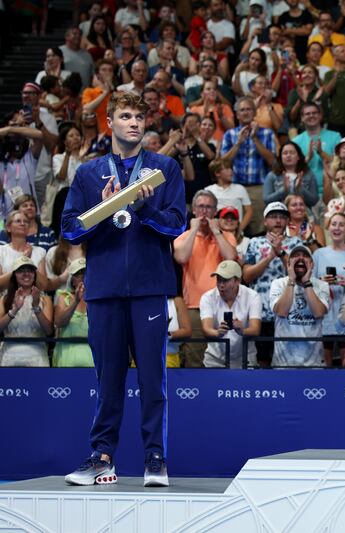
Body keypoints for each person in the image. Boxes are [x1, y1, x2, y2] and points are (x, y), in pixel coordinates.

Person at [61, 91, 186, 487]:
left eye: (138, 117)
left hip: (149, 288)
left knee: (153, 379)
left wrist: (145, 208)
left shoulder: (163, 169)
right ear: (109, 123)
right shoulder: (88, 173)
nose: (133, 122)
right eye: (125, 116)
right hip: (104, 290)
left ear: (145, 125)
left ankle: (155, 459)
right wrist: (98, 212)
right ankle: (102, 458)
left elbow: (176, 226)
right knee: (108, 380)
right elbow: (69, 229)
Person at [173, 190, 238, 368]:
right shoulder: (183, 237)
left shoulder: (226, 236)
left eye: (209, 207)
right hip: (193, 307)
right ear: (193, 210)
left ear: (215, 211)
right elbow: (181, 258)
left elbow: (231, 258)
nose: (204, 211)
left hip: (223, 305)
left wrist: (216, 231)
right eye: (200, 207)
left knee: (225, 356)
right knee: (194, 357)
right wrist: (193, 229)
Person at [243, 202, 304, 367]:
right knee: (262, 357)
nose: (277, 221)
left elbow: (301, 275)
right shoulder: (255, 242)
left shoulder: (296, 243)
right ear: (265, 221)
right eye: (273, 217)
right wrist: (270, 256)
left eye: (282, 217)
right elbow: (247, 276)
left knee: (288, 357)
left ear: (287, 221)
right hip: (260, 310)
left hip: (289, 310)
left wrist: (281, 253)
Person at [219, 96, 277, 236]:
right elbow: (222, 163)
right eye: (242, 110)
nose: (245, 113)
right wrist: (238, 143)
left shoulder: (267, 133)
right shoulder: (230, 134)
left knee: (259, 229)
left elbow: (273, 162)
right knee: (235, 228)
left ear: (255, 112)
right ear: (237, 114)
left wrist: (255, 138)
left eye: (249, 109)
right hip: (235, 187)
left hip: (259, 188)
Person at [269, 244, 330, 366]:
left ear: (312, 264)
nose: (301, 258)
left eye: (305, 256)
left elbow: (318, 313)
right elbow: (282, 311)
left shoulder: (322, 285)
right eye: (296, 256)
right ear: (288, 264)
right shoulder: (278, 284)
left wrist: (307, 282)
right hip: (283, 363)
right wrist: (291, 280)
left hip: (314, 363)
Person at [312, 212, 345, 366]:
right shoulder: (318, 254)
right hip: (323, 317)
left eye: (341, 225)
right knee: (324, 366)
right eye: (334, 224)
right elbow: (309, 283)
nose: (337, 228)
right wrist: (321, 282)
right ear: (329, 227)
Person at [200, 260, 262, 368]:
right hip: (215, 360)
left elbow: (255, 329)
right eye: (218, 279)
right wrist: (217, 333)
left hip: (246, 359)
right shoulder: (207, 298)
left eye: (225, 280)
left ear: (237, 280)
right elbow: (206, 328)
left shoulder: (253, 296)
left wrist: (242, 330)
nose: (221, 285)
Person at [0, 256, 53, 367]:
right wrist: (14, 310)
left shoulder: (45, 299)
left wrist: (36, 307)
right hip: (9, 357)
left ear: (34, 274)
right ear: (14, 275)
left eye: (30, 270)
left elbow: (49, 331)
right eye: (21, 271)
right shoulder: (4, 299)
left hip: (37, 357)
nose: (26, 274)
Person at [53, 258, 93, 368]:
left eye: (86, 273)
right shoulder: (63, 296)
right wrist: (75, 301)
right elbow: (59, 322)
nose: (84, 277)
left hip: (93, 356)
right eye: (79, 274)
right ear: (72, 279)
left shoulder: (98, 300)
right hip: (67, 356)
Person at [205, 159, 252, 230]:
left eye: (231, 168)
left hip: (235, 229)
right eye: (227, 169)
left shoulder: (240, 189)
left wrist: (240, 229)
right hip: (215, 230)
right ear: (217, 173)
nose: (231, 171)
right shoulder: (209, 190)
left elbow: (249, 211)